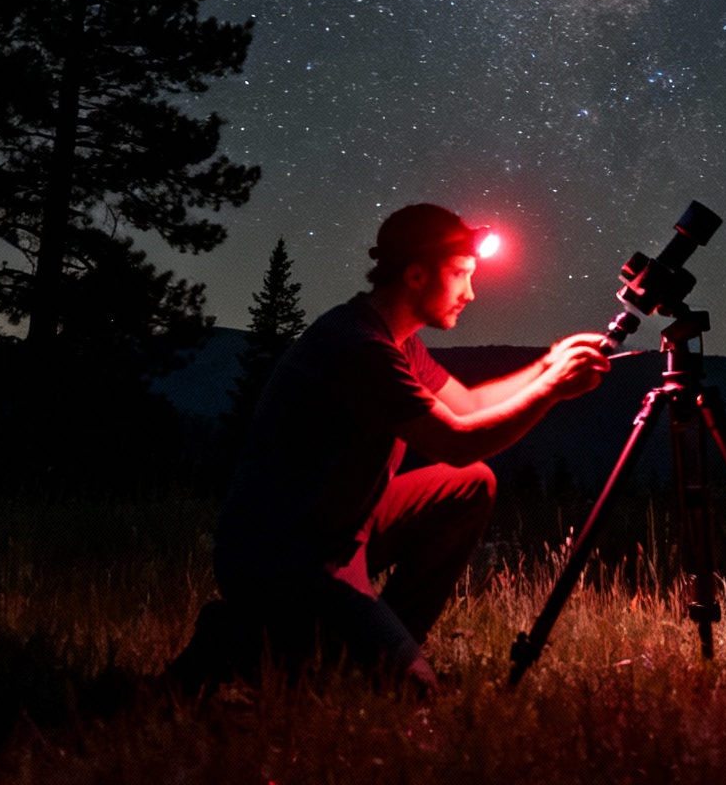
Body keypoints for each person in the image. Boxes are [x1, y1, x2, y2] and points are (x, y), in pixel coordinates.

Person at [178, 203, 610, 693]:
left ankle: (374, 644)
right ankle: (260, 642)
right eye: (461, 275)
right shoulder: (358, 348)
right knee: (415, 694)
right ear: (417, 275)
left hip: (338, 540)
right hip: (283, 560)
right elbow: (458, 440)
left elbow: (465, 406)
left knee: (467, 487)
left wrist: (547, 364)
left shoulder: (395, 341)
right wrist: (551, 387)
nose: (471, 292)